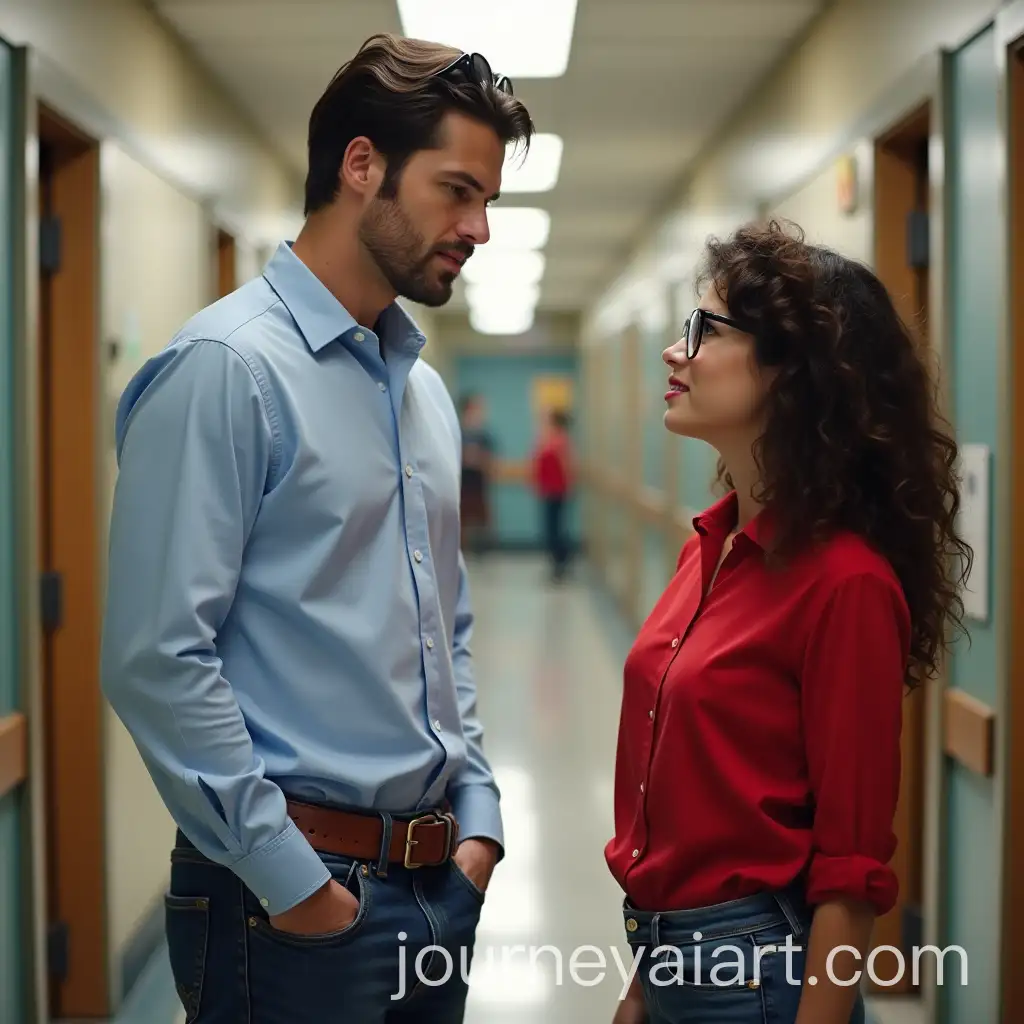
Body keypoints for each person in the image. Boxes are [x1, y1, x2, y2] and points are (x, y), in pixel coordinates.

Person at [100, 33, 533, 1024]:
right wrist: (294, 882)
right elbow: (157, 656)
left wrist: (478, 819)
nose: (478, 226)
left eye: (488, 201)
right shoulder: (226, 370)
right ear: (361, 164)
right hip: (291, 904)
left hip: (435, 883)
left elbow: (444, 630)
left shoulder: (419, 394)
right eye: (457, 190)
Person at [607, 220, 970, 1024]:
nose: (675, 351)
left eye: (704, 329)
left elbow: (851, 871)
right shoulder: (706, 547)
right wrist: (641, 987)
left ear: (795, 372)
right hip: (665, 956)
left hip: (759, 979)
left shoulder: (847, 585)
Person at [531, 407, 574, 580]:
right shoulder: (548, 439)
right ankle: (557, 564)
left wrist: (568, 485)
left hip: (557, 491)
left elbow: (566, 466)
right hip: (549, 490)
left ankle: (560, 564)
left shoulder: (560, 440)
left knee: (555, 529)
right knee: (551, 528)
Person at [458, 393, 496, 555]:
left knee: (482, 519)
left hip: (479, 482)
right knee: (462, 519)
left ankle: (482, 550)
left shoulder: (484, 436)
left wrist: (479, 460)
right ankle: (462, 550)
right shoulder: (458, 432)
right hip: (463, 483)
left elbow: (491, 460)